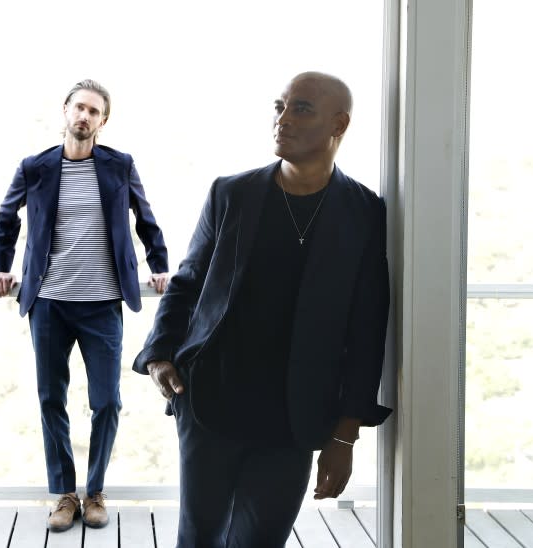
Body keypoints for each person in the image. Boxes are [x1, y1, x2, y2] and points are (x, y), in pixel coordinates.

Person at [133, 71, 391, 547]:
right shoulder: (231, 193)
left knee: (261, 540)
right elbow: (187, 284)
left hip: (295, 416)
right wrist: (159, 355)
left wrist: (345, 436)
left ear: (340, 123)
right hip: (210, 398)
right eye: (280, 106)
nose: (283, 119)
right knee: (199, 537)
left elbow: (367, 326)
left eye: (301, 109)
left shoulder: (363, 213)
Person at [0, 79, 169, 533]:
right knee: (51, 399)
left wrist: (160, 264)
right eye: (79, 108)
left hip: (102, 304)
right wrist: (3, 266)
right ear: (65, 112)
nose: (84, 116)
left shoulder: (119, 166)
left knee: (106, 401)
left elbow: (145, 218)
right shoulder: (35, 167)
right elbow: (5, 219)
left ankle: (95, 491)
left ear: (103, 121)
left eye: (94, 111)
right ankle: (65, 495)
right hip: (48, 303)